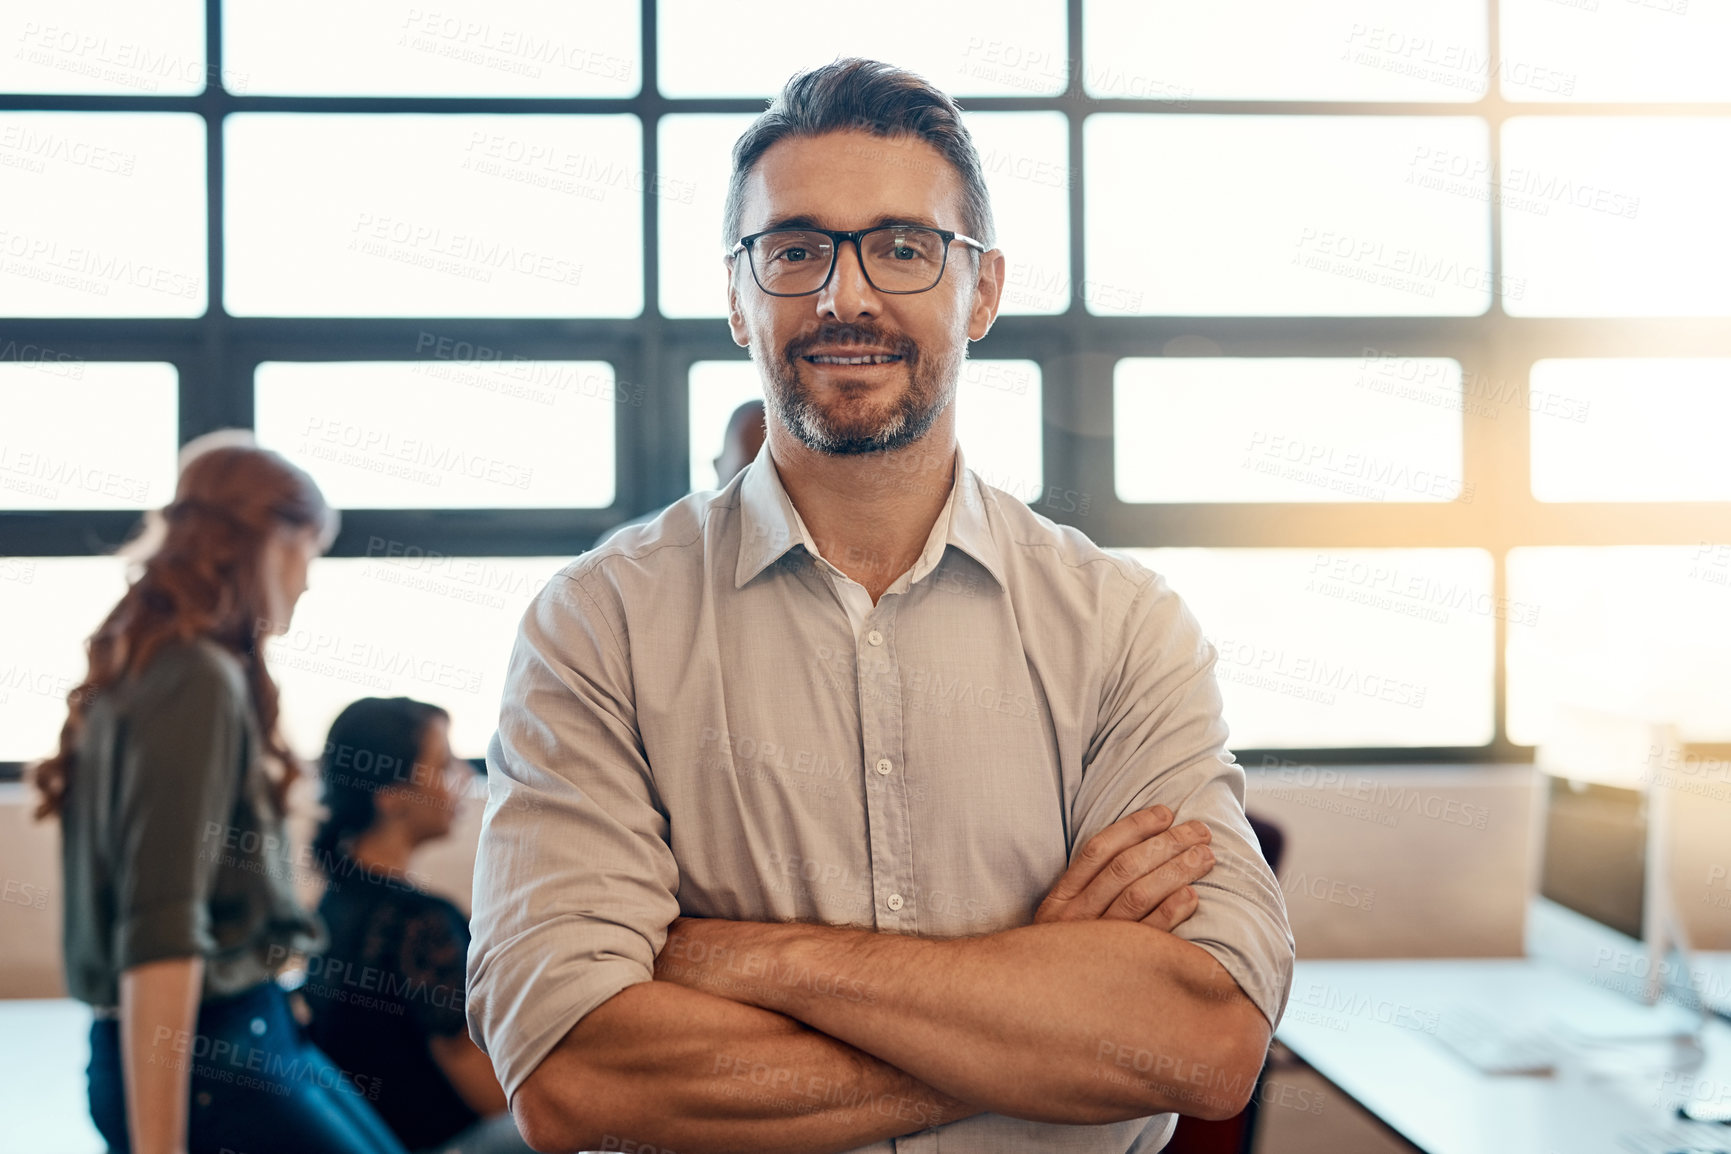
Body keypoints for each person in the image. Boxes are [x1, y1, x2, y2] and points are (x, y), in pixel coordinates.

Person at [468, 59, 1295, 1154]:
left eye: (904, 247)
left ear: (983, 289)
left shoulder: (1125, 625)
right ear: (736, 294)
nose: (845, 295)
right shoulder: (597, 626)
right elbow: (575, 1072)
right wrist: (1032, 1017)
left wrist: (749, 955)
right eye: (795, 249)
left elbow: (1206, 1041)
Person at [32, 431, 409, 1154]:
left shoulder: (144, 669)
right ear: (265, 539)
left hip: (242, 1036)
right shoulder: (196, 677)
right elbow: (162, 930)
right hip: (214, 1057)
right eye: (309, 551)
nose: (307, 579)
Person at [302, 697, 531, 1154]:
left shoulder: (336, 898)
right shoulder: (417, 923)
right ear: (390, 796)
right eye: (444, 767)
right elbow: (491, 1095)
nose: (464, 780)